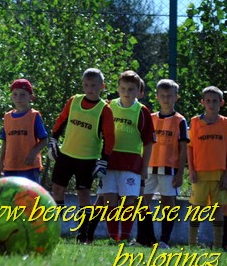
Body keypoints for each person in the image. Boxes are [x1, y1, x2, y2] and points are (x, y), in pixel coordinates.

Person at [48, 68, 115, 242]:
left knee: (83, 193)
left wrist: (104, 160)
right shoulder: (74, 101)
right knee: (57, 188)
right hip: (66, 155)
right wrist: (53, 139)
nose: (89, 88)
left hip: (87, 159)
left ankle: (83, 234)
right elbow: (61, 120)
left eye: (93, 85)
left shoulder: (104, 109)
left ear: (102, 86)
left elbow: (109, 137)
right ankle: (55, 228)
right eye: (86, 85)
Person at [93, 71, 154, 244]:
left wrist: (144, 168)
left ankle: (125, 237)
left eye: (131, 89)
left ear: (139, 91)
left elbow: (148, 143)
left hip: (131, 163)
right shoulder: (109, 106)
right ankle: (114, 238)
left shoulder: (142, 111)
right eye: (123, 88)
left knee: (129, 201)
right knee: (109, 199)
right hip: (109, 161)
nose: (127, 93)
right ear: (118, 88)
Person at [135, 79, 188, 248]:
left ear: (176, 98)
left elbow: (183, 148)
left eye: (170, 96)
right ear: (157, 97)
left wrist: (180, 172)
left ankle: (164, 240)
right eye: (163, 96)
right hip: (149, 167)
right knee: (142, 202)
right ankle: (143, 239)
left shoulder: (180, 120)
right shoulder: (150, 118)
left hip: (169, 169)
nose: (166, 99)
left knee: (168, 203)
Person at [187, 86, 227, 248]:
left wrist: (226, 175)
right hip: (200, 173)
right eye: (208, 101)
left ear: (221, 103)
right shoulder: (195, 122)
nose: (211, 104)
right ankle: (192, 245)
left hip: (219, 174)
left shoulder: (225, 123)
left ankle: (217, 245)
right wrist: (191, 170)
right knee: (196, 209)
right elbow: (190, 148)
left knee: (217, 210)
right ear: (202, 102)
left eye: (215, 101)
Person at [0, 78, 48, 184]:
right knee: (11, 197)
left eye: (22, 94)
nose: (18, 98)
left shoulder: (34, 116)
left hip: (29, 166)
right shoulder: (7, 117)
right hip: (10, 166)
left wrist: (33, 154)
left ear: (30, 97)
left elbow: (44, 140)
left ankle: (38, 202)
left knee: (34, 196)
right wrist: (1, 161)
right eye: (15, 94)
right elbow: (5, 141)